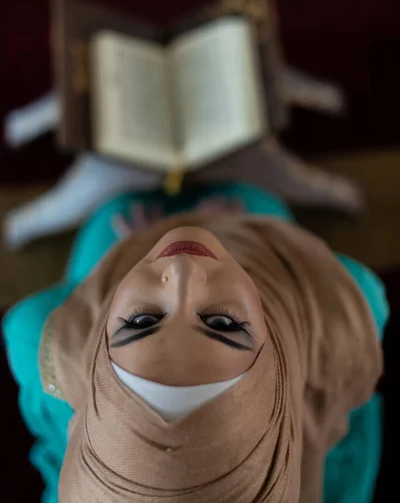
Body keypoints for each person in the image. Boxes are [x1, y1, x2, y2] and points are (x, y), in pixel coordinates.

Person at [2, 182, 388, 503]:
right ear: (277, 374)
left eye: (143, 321)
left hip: (119, 245)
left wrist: (131, 252)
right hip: (261, 242)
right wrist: (237, 228)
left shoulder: (44, 344)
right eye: (221, 323)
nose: (183, 270)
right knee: (252, 190)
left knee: (114, 207)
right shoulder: (344, 320)